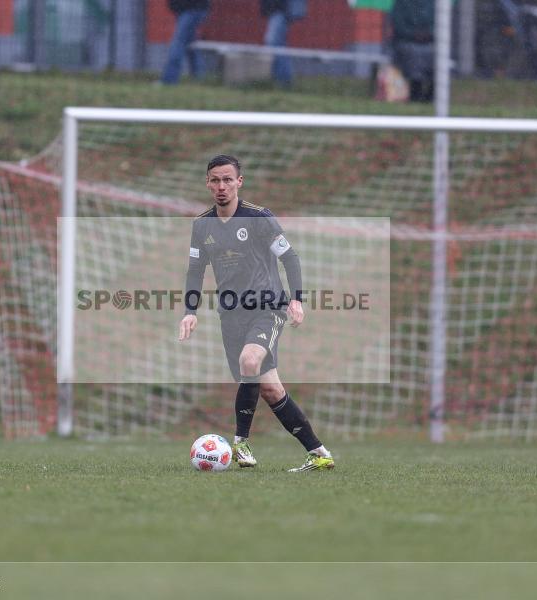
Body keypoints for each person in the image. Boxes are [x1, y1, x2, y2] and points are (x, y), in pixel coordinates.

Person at [178, 154, 334, 472]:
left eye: (227, 179)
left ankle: (240, 443)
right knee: (269, 388)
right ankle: (318, 453)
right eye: (214, 180)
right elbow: (195, 271)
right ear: (207, 183)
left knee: (249, 361)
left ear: (239, 182)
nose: (221, 186)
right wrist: (189, 310)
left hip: (267, 308)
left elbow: (290, 258)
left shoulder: (259, 218)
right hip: (230, 314)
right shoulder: (202, 226)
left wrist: (297, 300)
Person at [390, 0, 435, 102]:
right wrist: (413, 34)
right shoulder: (401, 3)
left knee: (437, 56)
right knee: (414, 53)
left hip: (430, 42)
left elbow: (438, 24)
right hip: (406, 41)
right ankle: (416, 90)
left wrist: (429, 34)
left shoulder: (433, 3)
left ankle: (430, 95)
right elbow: (398, 25)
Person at [160, 0, 210, 85]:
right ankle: (199, 77)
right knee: (190, 44)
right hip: (184, 9)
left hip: (193, 8)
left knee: (178, 43)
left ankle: (169, 80)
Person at [260, 0, 307, 87]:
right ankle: (284, 79)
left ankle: (283, 78)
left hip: (281, 9)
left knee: (273, 42)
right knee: (279, 44)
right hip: (278, 9)